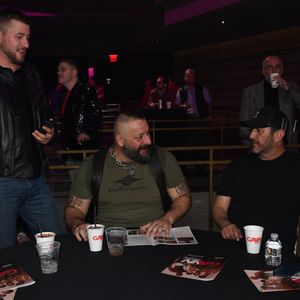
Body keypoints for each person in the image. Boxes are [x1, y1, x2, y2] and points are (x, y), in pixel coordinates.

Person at [65, 111, 192, 241]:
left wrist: (167, 219)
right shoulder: (93, 164)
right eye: (140, 137)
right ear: (120, 140)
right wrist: (78, 225)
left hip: (154, 237)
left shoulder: (163, 158)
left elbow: (182, 198)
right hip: (109, 240)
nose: (148, 141)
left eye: (148, 133)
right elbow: (75, 208)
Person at [0, 9, 60, 248]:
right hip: (3, 182)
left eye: (28, 37)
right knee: (4, 259)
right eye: (19, 37)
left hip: (37, 179)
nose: (26, 43)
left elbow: (46, 116)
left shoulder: (32, 74)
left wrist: (50, 131)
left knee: (52, 248)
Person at [213, 107, 300, 258]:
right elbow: (219, 207)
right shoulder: (239, 164)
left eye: (259, 131)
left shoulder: (295, 167)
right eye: (252, 129)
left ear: (278, 135)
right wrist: (225, 224)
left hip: (276, 255)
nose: (251, 135)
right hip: (234, 249)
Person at [240, 55, 300, 145]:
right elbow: (244, 122)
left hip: (286, 143)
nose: (274, 70)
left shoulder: (291, 88)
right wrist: (249, 144)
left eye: (277, 66)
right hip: (260, 144)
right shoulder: (250, 92)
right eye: (269, 67)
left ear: (282, 70)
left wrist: (288, 89)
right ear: (263, 71)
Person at [57, 58, 102, 151]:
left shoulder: (86, 90)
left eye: (63, 69)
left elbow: (96, 113)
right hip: (69, 147)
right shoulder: (65, 95)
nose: (59, 72)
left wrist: (87, 132)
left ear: (74, 72)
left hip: (83, 147)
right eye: (58, 70)